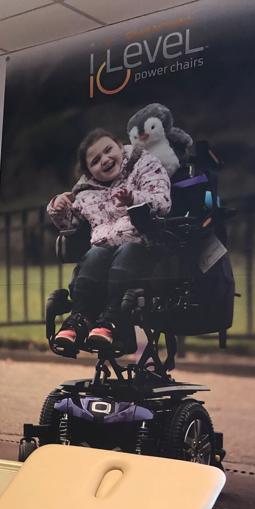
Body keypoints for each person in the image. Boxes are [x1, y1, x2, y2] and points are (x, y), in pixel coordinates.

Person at [47, 128, 171, 356]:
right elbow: (71, 226)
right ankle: (79, 320)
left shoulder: (143, 164)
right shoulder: (85, 191)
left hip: (143, 244)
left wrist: (134, 199)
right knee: (94, 255)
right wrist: (58, 209)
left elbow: (162, 201)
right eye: (95, 161)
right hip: (104, 249)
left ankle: (111, 321)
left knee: (126, 252)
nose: (104, 160)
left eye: (108, 150)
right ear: (89, 171)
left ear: (119, 146)